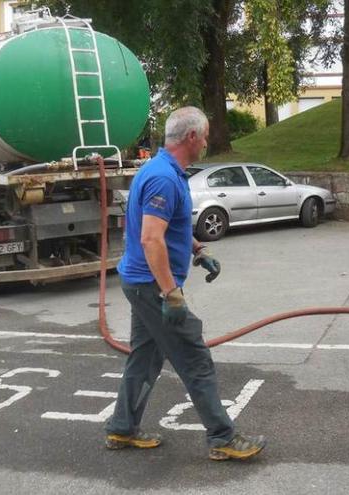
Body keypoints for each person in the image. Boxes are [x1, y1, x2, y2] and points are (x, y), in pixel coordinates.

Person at [104, 106, 267, 461]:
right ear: (191, 137)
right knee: (195, 359)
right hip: (152, 287)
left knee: (144, 359)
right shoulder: (163, 178)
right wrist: (171, 293)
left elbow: (167, 228)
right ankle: (222, 437)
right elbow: (150, 239)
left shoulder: (162, 171)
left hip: (142, 282)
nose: (207, 142)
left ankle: (122, 428)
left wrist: (196, 249)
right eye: (206, 136)